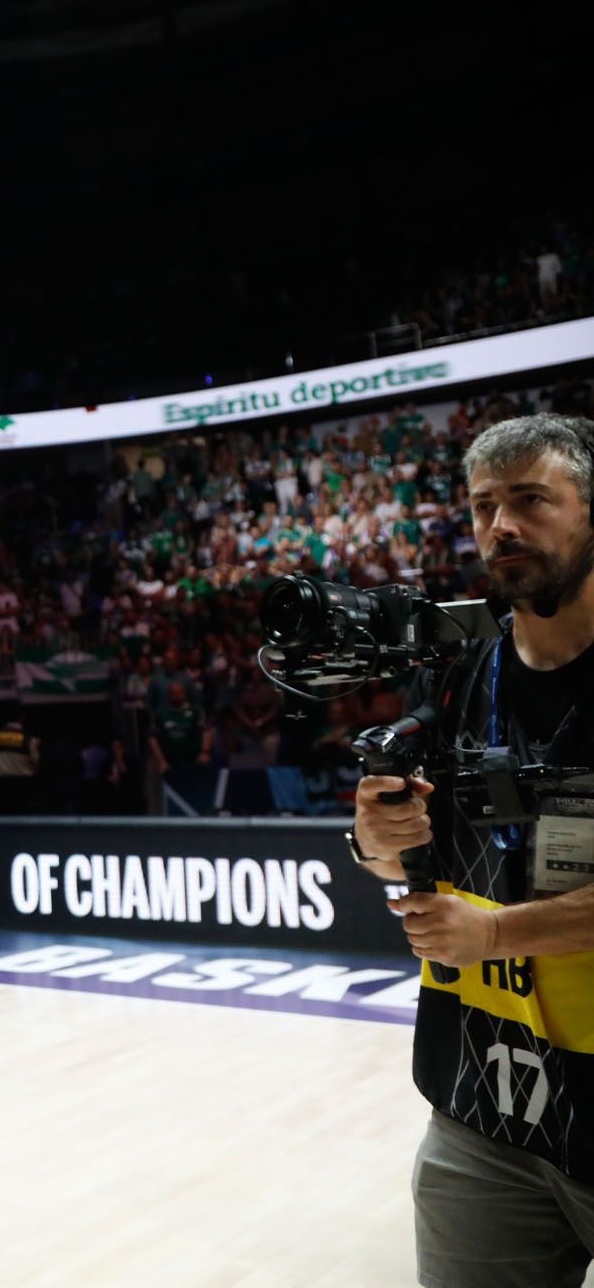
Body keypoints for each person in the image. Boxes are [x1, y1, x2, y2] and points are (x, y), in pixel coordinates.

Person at [350, 414, 594, 1285]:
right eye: (485, 504)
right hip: (481, 1106)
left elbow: (478, 923)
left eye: (531, 499)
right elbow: (405, 857)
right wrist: (376, 841)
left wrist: (491, 934)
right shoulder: (454, 670)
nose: (502, 526)